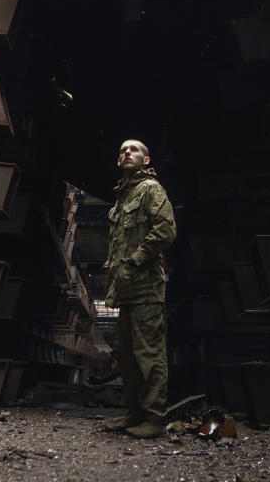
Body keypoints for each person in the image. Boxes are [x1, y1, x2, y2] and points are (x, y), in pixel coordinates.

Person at [102, 139, 177, 438]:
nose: (126, 153)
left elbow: (166, 231)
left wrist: (134, 261)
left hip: (146, 286)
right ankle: (135, 413)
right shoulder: (123, 198)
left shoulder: (150, 189)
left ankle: (155, 419)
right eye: (121, 150)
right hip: (127, 289)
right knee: (129, 354)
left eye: (133, 150)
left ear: (146, 161)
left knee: (149, 352)